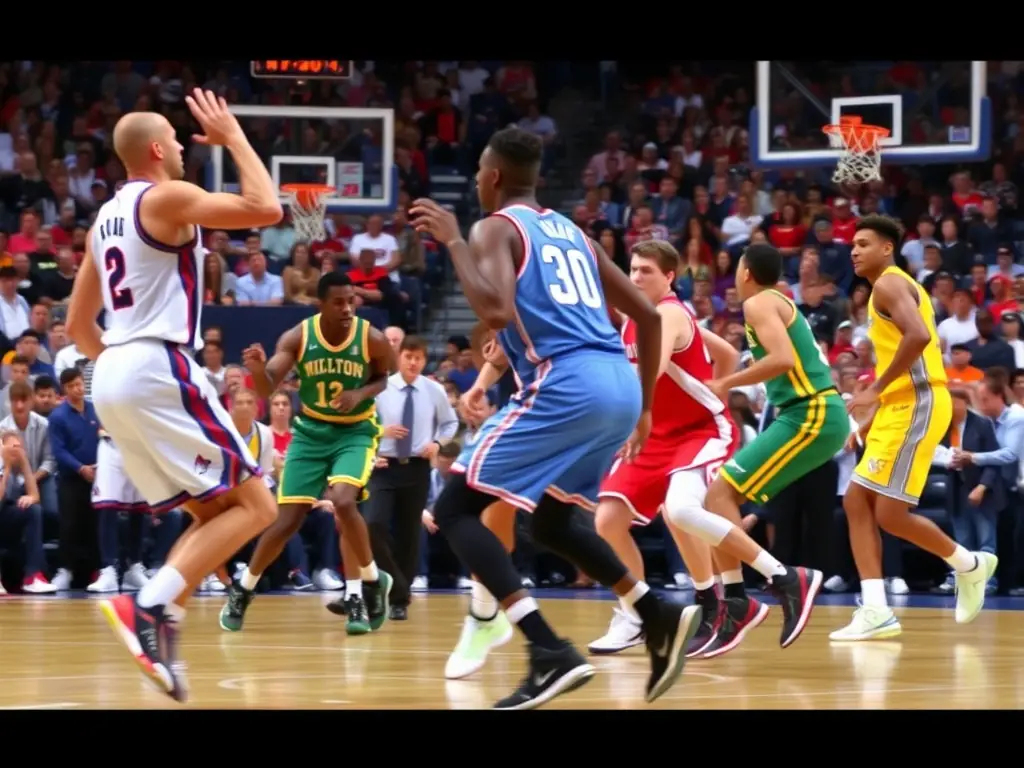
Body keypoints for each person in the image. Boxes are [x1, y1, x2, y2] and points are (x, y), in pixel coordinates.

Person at [410, 126, 701, 711]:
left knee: (454, 508)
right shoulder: (574, 232)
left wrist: (453, 243)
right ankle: (656, 613)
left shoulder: (493, 226)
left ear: (492, 177)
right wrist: (642, 405)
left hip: (565, 380)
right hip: (616, 383)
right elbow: (646, 316)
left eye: (476, 175)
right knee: (554, 524)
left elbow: (493, 309)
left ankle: (547, 651)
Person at [65, 89, 282, 701]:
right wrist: (235, 136)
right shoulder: (166, 196)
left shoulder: (101, 221)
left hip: (111, 374)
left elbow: (80, 327)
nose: (188, 146)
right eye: (179, 140)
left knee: (216, 513)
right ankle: (149, 605)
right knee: (259, 509)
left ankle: (166, 623)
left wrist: (123, 373)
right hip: (157, 363)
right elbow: (266, 208)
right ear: (157, 150)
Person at [833, 215, 997, 640]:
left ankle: (968, 564)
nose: (854, 250)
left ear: (887, 248)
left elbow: (920, 336)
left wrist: (877, 389)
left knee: (888, 513)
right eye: (852, 243)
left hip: (919, 402)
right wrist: (873, 407)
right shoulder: (885, 289)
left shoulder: (888, 282)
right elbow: (900, 351)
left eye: (864, 243)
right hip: (900, 405)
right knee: (858, 502)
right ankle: (876, 608)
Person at [590, 240, 744, 659]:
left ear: (669, 277)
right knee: (608, 520)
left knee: (680, 512)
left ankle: (714, 601)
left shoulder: (670, 314)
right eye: (633, 269)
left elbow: (647, 379)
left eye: (646, 272)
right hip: (656, 434)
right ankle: (635, 612)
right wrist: (718, 386)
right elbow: (727, 352)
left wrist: (712, 401)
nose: (636, 277)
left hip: (693, 432)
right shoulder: (632, 315)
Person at [223, 271, 396, 636]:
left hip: (355, 431)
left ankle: (362, 588)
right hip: (311, 432)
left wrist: (360, 394)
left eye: (351, 300)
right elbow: (269, 386)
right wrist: (256, 367)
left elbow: (384, 377)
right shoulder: (299, 336)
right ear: (321, 304)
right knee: (285, 522)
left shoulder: (372, 337)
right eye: (339, 302)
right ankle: (244, 589)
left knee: (344, 503)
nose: (347, 307)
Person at [694, 243, 845, 653]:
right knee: (717, 499)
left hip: (810, 410)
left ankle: (781, 581)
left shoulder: (759, 301)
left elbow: (782, 359)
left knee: (718, 495)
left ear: (744, 272)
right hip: (806, 412)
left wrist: (726, 383)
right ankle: (737, 600)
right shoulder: (776, 300)